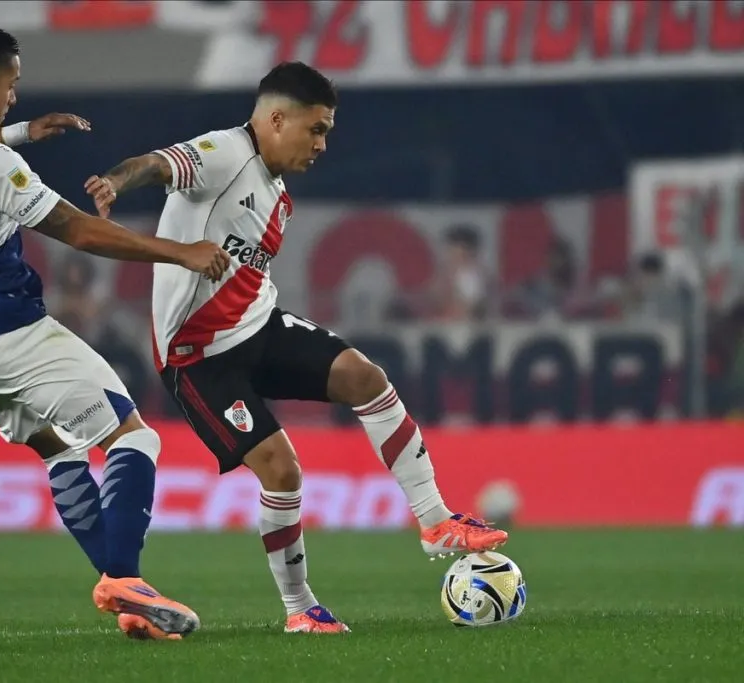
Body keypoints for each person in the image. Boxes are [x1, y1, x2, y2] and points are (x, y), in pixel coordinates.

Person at [85, 61, 508, 634]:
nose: (323, 144)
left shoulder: (277, 193)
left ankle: (436, 522)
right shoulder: (226, 153)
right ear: (276, 119)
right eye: (316, 129)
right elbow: (159, 164)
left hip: (258, 327)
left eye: (327, 132)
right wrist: (115, 181)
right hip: (199, 357)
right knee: (282, 472)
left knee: (366, 377)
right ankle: (299, 608)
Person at [0, 25, 230, 640]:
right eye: (11, 88)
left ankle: (129, 600)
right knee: (133, 436)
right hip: (8, 332)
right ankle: (122, 577)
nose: (15, 99)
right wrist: (181, 253)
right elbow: (79, 231)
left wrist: (23, 133)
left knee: (60, 449)